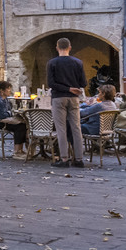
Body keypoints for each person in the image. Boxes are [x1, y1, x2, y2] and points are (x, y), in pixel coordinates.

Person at [47, 37, 88, 168]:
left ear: (57, 47)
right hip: (74, 98)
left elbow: (51, 83)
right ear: (70, 47)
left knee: (61, 129)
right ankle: (79, 158)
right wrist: (72, 88)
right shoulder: (78, 62)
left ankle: (64, 158)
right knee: (76, 127)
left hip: (59, 97)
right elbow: (83, 83)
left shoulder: (52, 63)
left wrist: (66, 88)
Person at [0, 81, 31, 157]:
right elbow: (2, 115)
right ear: (2, 90)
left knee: (23, 124)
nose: (10, 91)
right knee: (20, 126)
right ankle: (17, 151)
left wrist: (10, 113)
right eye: (8, 89)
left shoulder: (4, 99)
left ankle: (20, 149)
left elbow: (8, 111)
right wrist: (10, 113)